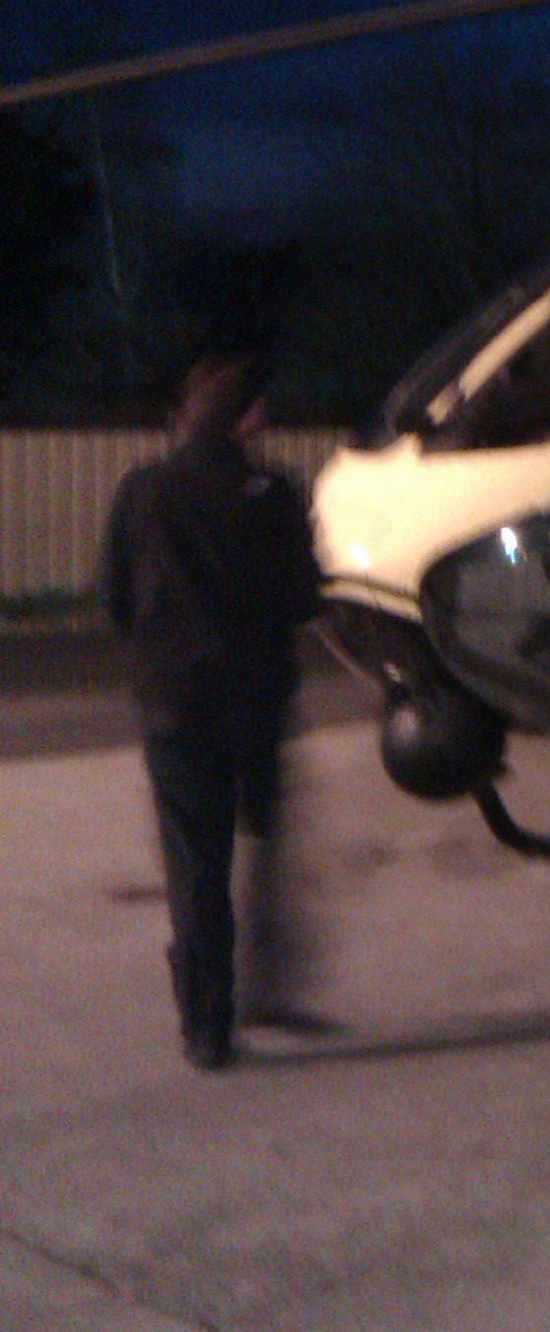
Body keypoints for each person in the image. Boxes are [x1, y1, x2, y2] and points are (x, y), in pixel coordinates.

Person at [103, 348, 323, 1069]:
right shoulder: (277, 491)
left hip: (177, 704)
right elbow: (304, 599)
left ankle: (207, 1025)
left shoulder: (144, 490)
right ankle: (269, 981)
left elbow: (114, 597)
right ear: (249, 417)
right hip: (257, 702)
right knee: (263, 835)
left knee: (196, 864)